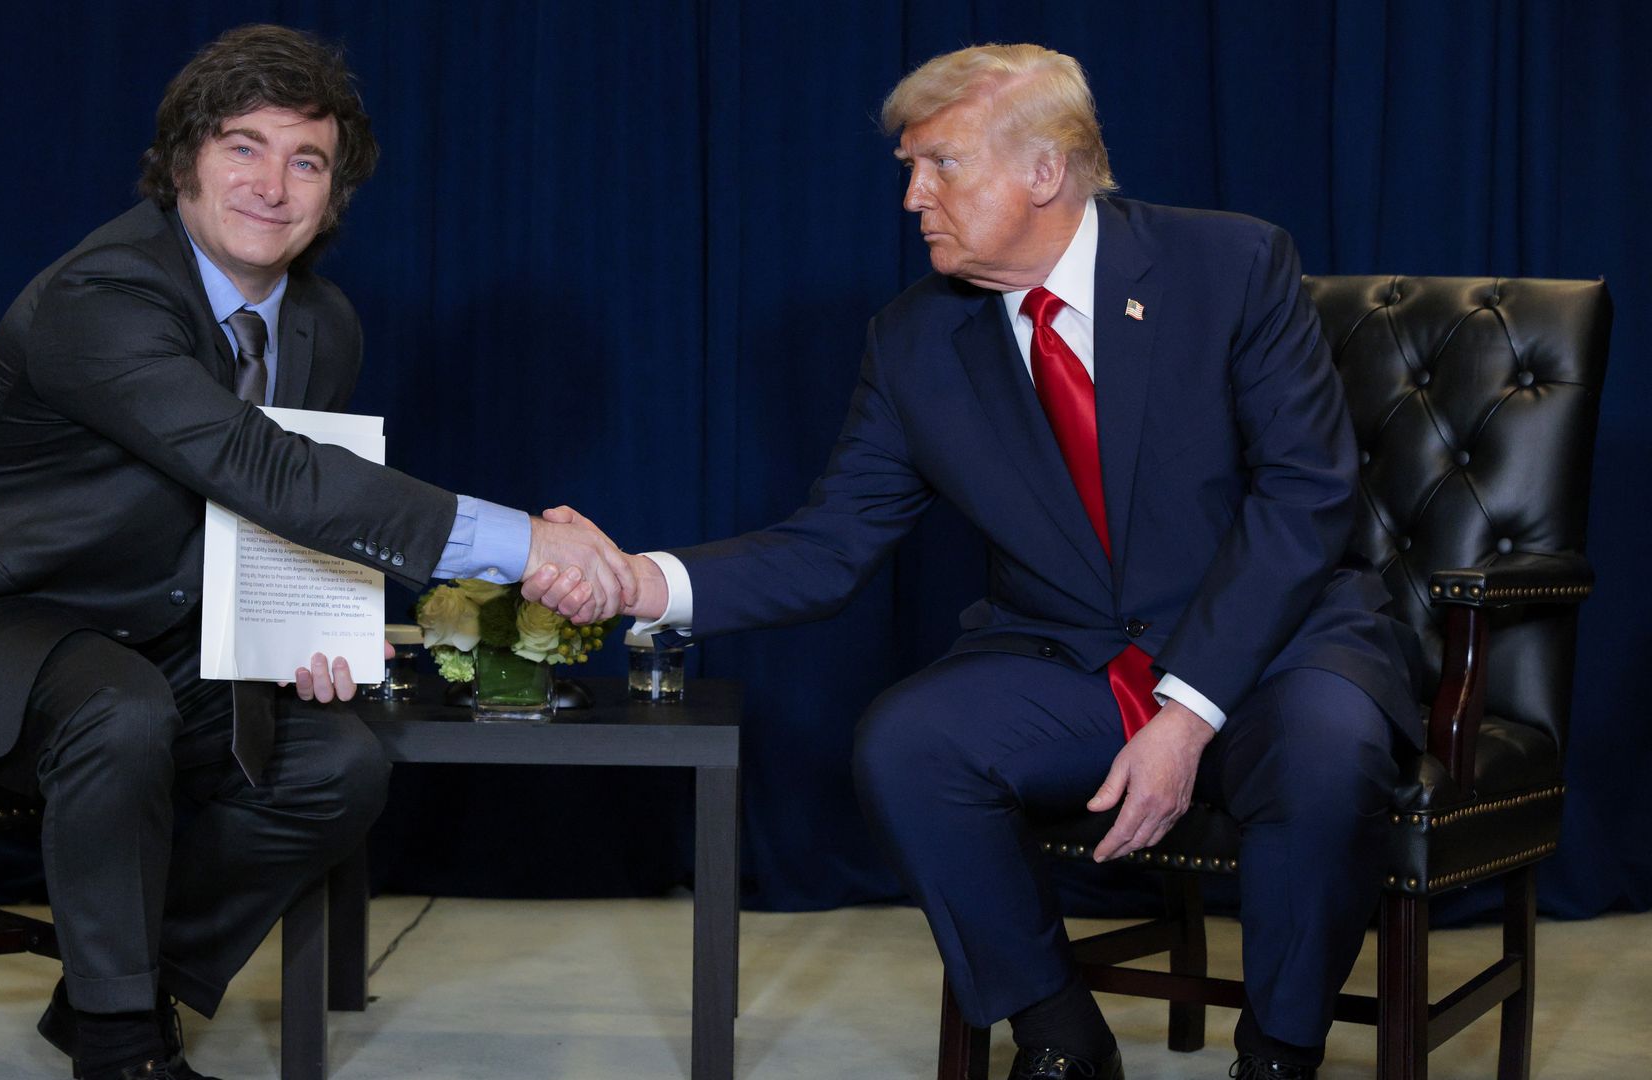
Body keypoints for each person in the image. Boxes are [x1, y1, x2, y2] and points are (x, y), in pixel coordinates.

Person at [569, 43, 1420, 1080]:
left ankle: (1280, 1055)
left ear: (1045, 170)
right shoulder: (912, 342)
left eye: (941, 165)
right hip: (1077, 662)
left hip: (1272, 647)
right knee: (910, 745)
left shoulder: (1231, 265)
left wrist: (1189, 710)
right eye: (909, 169)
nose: (913, 197)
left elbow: (1306, 496)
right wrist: (637, 580)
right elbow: (829, 546)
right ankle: (1059, 1038)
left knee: (1328, 753)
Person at [0, 24, 627, 1080]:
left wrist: (299, 633)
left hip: (147, 626)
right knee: (117, 709)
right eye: (243, 146)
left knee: (336, 766)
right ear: (182, 164)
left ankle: (113, 987)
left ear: (334, 196)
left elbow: (270, 516)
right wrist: (523, 543)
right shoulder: (100, 298)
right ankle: (123, 1048)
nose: (272, 185)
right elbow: (262, 466)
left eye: (308, 161)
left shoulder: (325, 325)